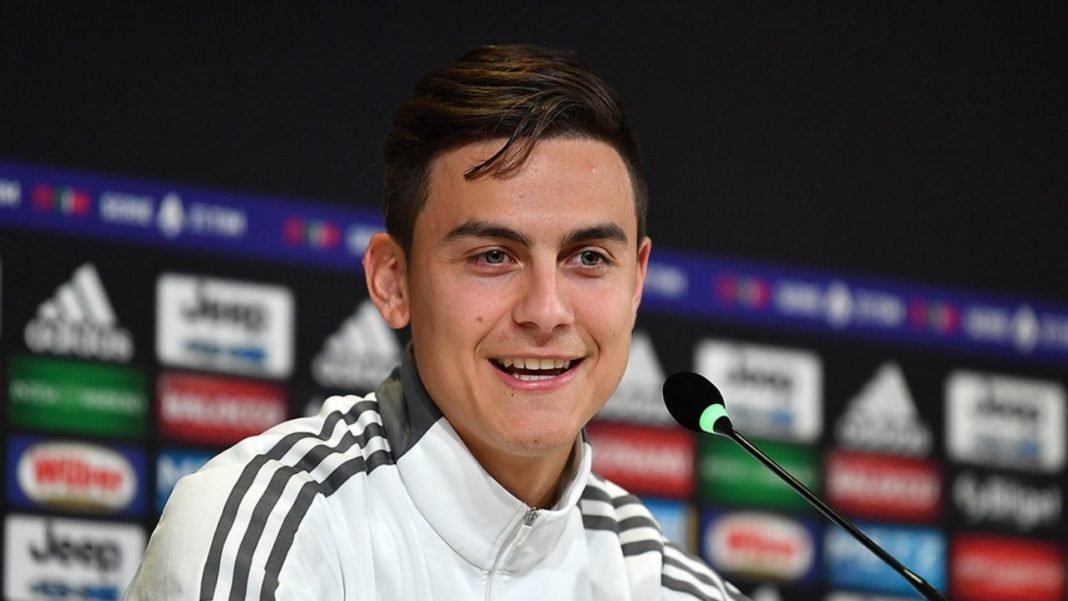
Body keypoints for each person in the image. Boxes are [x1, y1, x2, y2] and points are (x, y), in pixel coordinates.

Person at [125, 44, 749, 601]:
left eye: (588, 258)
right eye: (493, 256)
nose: (546, 311)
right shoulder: (267, 537)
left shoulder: (672, 589)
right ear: (393, 282)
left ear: (636, 282)